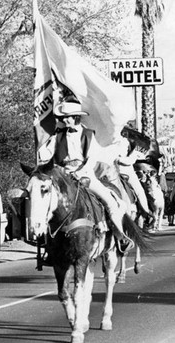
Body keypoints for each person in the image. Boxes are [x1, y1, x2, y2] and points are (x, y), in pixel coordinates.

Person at [37, 101, 134, 249]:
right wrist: (43, 157)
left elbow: (92, 158)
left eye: (68, 117)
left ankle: (120, 236)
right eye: (64, 118)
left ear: (76, 117)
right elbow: (45, 154)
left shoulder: (88, 135)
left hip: (85, 175)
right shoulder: (57, 136)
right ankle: (44, 239)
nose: (65, 120)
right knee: (45, 200)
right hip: (63, 176)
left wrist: (81, 171)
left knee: (111, 201)